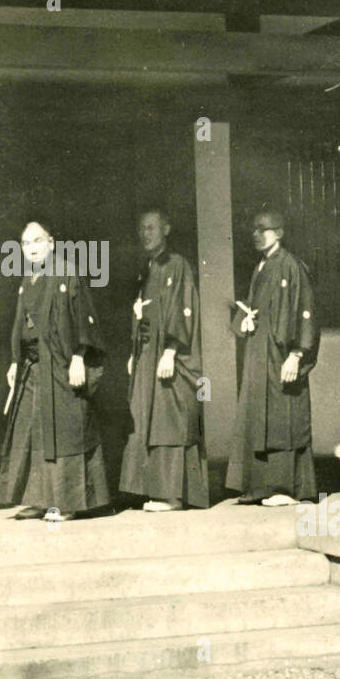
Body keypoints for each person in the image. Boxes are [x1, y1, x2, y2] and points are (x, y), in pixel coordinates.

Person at [0, 219, 110, 522]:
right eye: (26, 243)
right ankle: (39, 498)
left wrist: (79, 357)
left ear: (51, 243)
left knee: (66, 429)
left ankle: (67, 502)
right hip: (34, 368)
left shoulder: (67, 273)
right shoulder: (27, 280)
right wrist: (14, 360)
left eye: (37, 241)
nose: (31, 249)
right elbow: (21, 325)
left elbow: (85, 319)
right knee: (33, 430)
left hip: (61, 365)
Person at [227, 208, 318, 506]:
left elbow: (306, 311)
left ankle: (286, 488)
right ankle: (261, 486)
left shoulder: (292, 266)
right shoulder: (261, 267)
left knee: (283, 419)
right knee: (258, 417)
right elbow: (250, 308)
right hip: (258, 353)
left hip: (281, 355)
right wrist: (246, 321)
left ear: (278, 233)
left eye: (262, 229)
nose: (256, 234)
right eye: (253, 229)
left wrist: (296, 354)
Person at [119, 209, 208, 511]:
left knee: (169, 420)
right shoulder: (146, 268)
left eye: (152, 227)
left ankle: (172, 495)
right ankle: (152, 490)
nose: (146, 233)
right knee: (146, 420)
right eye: (142, 228)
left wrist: (171, 350)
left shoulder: (177, 265)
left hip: (168, 353)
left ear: (166, 229)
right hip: (147, 352)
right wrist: (135, 352)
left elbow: (185, 310)